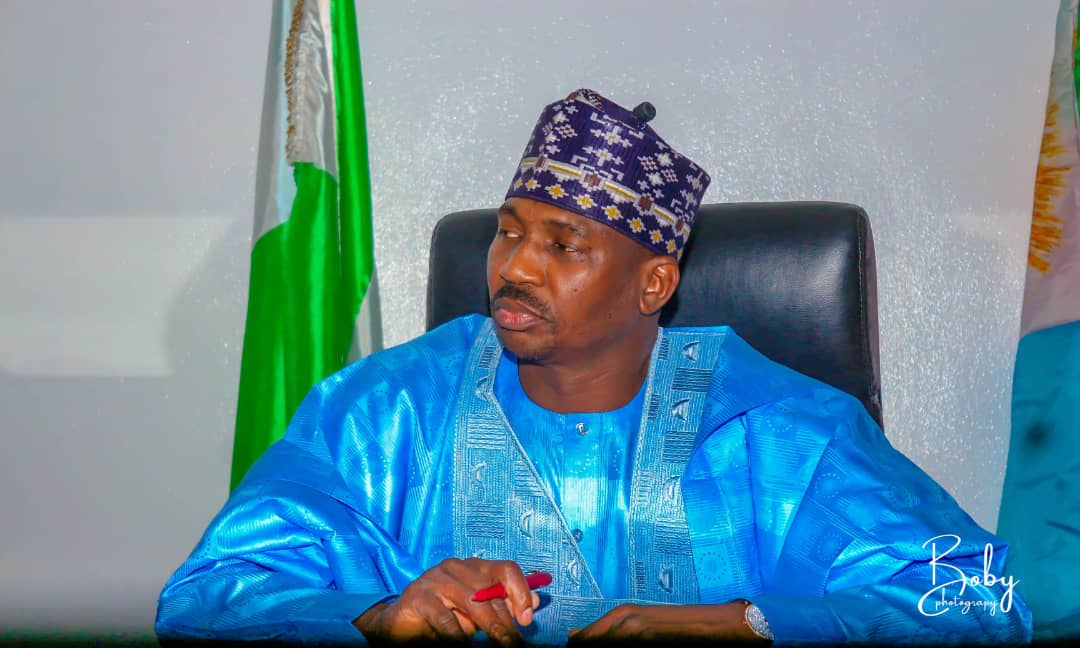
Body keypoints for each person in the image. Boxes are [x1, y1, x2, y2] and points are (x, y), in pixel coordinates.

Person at [156, 89, 1033, 645]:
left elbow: (982, 602)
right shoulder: (382, 412)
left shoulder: (780, 430)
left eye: (564, 245)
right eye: (508, 232)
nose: (514, 267)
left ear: (654, 283)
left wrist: (743, 624)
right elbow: (206, 597)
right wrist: (379, 614)